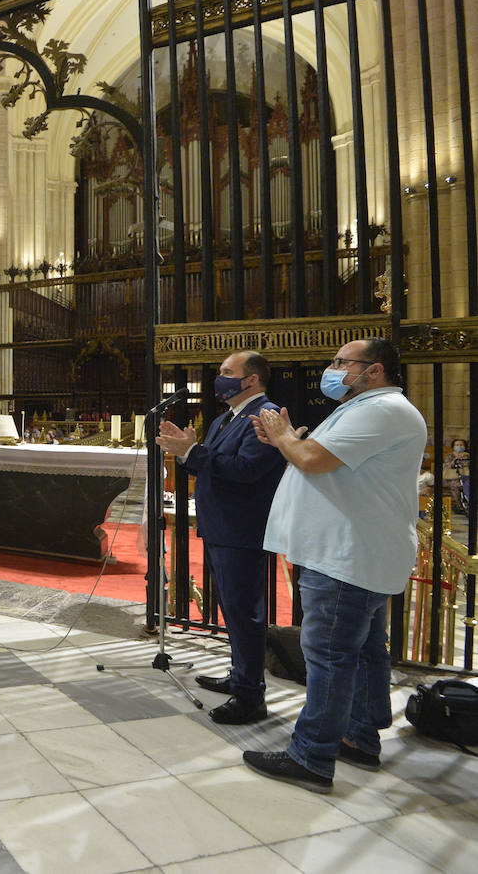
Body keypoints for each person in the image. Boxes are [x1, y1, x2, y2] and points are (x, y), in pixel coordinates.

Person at [243, 337, 426, 793]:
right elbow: (319, 457)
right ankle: (359, 735)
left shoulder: (382, 410)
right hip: (353, 550)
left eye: (341, 362)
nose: (333, 368)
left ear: (375, 370)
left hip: (346, 555)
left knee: (328, 656)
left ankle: (311, 757)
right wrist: (284, 440)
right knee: (363, 650)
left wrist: (288, 440)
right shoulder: (367, 407)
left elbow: (313, 459)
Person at [156, 350, 286, 725]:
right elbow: (210, 464)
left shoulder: (266, 416)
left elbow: (246, 470)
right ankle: (241, 674)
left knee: (244, 612)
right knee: (231, 608)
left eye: (228, 372)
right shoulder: (223, 419)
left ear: (252, 380)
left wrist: (192, 452)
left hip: (242, 529)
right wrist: (187, 453)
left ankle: (250, 696)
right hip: (220, 526)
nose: (220, 377)